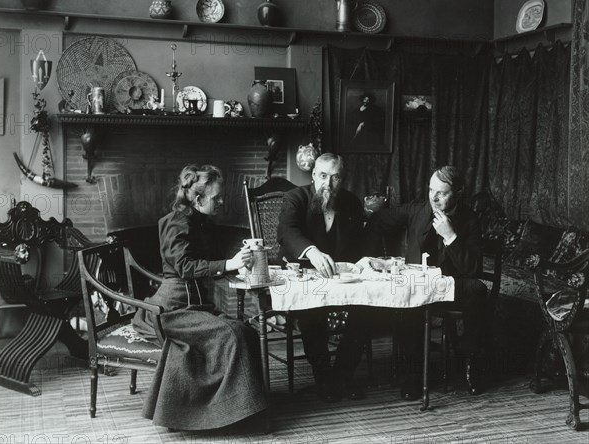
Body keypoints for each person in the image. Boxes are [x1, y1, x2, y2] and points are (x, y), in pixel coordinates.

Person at [132, 164, 267, 430]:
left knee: (247, 331)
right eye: (216, 198)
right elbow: (184, 268)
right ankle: (217, 412)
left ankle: (240, 407)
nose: (221, 201)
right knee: (232, 334)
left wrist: (241, 262)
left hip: (195, 306)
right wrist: (229, 264)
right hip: (170, 310)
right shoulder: (175, 223)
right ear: (198, 199)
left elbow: (209, 260)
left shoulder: (200, 222)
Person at [363, 166, 487, 398]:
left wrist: (451, 236)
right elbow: (379, 219)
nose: (434, 197)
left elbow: (472, 269)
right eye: (431, 190)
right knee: (406, 299)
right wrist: (373, 257)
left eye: (442, 192)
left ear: (458, 192)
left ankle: (471, 367)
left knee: (478, 290)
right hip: (417, 285)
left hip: (448, 285)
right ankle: (414, 375)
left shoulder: (470, 220)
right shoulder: (417, 209)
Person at [277, 153, 369, 402]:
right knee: (311, 314)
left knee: (366, 311)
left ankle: (342, 376)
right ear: (313, 175)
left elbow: (359, 245)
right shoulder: (295, 198)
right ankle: (324, 380)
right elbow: (287, 232)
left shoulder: (351, 202)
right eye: (323, 176)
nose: (328, 184)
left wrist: (364, 261)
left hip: (340, 279)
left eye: (335, 177)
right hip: (304, 277)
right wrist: (312, 251)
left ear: (342, 179)